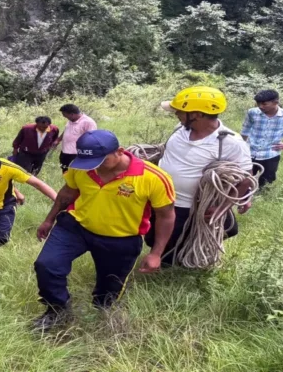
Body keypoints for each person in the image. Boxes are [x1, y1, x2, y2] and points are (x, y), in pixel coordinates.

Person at [33, 130, 176, 331]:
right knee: (47, 265)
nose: (95, 167)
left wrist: (156, 253)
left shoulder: (153, 177)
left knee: (107, 293)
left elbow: (166, 215)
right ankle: (57, 310)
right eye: (89, 161)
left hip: (121, 238)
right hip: (76, 226)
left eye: (101, 160)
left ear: (119, 151)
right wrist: (49, 220)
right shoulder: (81, 167)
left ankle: (102, 316)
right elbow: (68, 193)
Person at [146, 86, 254, 266]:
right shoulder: (179, 129)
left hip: (188, 207)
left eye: (180, 111)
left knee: (171, 247)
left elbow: (246, 178)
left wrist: (224, 207)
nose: (176, 114)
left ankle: (177, 270)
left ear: (197, 114)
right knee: (153, 238)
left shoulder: (230, 142)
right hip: (161, 198)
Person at [55, 104, 97, 173]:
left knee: (76, 174)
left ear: (72, 114)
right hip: (65, 152)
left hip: (77, 154)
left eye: (65, 115)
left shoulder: (88, 122)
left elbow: (91, 138)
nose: (64, 117)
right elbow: (66, 130)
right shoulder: (71, 120)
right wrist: (58, 139)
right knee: (65, 172)